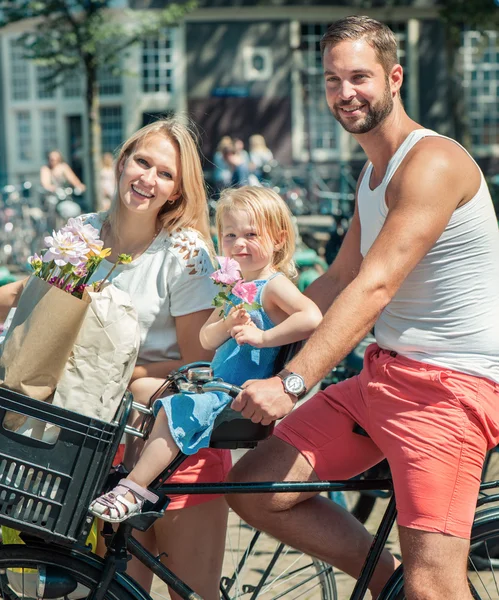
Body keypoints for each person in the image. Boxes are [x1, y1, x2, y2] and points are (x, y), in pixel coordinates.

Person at [227, 16, 499, 600]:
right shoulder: (374, 174)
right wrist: (254, 339)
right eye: (331, 80)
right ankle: (386, 587)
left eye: (359, 77)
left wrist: (293, 383)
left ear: (394, 78)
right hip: (385, 373)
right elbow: (337, 278)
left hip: (450, 389)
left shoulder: (431, 163)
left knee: (435, 585)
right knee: (254, 485)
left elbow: (371, 288)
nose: (344, 93)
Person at [1, 117, 228, 600]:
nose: (147, 179)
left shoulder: (185, 252)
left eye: (165, 174)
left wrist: (120, 377)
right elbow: (35, 305)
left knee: (192, 592)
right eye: (142, 162)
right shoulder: (81, 232)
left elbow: (198, 366)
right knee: (112, 591)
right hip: (87, 444)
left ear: (176, 191)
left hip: (167, 438)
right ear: (121, 163)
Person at [89, 185, 322, 522]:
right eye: (229, 235)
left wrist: (263, 336)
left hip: (238, 393)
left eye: (251, 234)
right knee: (141, 395)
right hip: (215, 383)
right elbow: (207, 337)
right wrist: (227, 324)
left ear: (278, 240)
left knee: (174, 409)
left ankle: (133, 488)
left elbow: (311, 316)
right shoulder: (233, 287)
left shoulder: (272, 285)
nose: (239, 243)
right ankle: (137, 475)